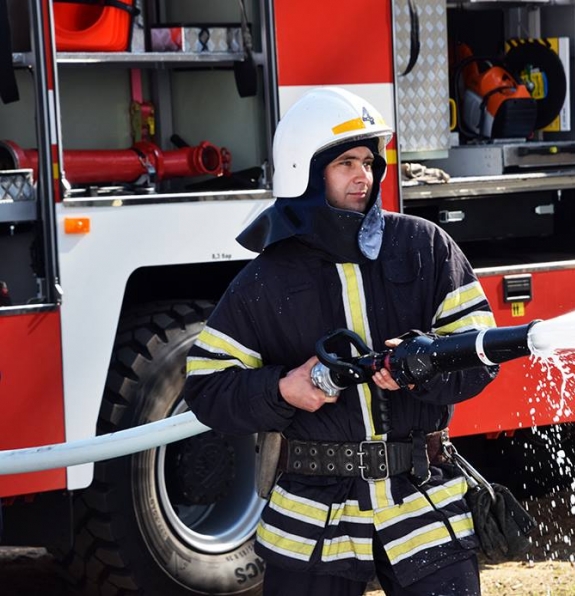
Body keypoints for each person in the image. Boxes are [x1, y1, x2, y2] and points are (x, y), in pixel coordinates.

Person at [182, 87, 497, 596]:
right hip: (313, 518)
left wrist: (426, 367)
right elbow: (206, 388)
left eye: (369, 162)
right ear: (306, 173)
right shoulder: (265, 280)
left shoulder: (424, 247)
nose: (363, 176)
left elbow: (480, 348)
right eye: (345, 163)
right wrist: (283, 389)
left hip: (422, 501)